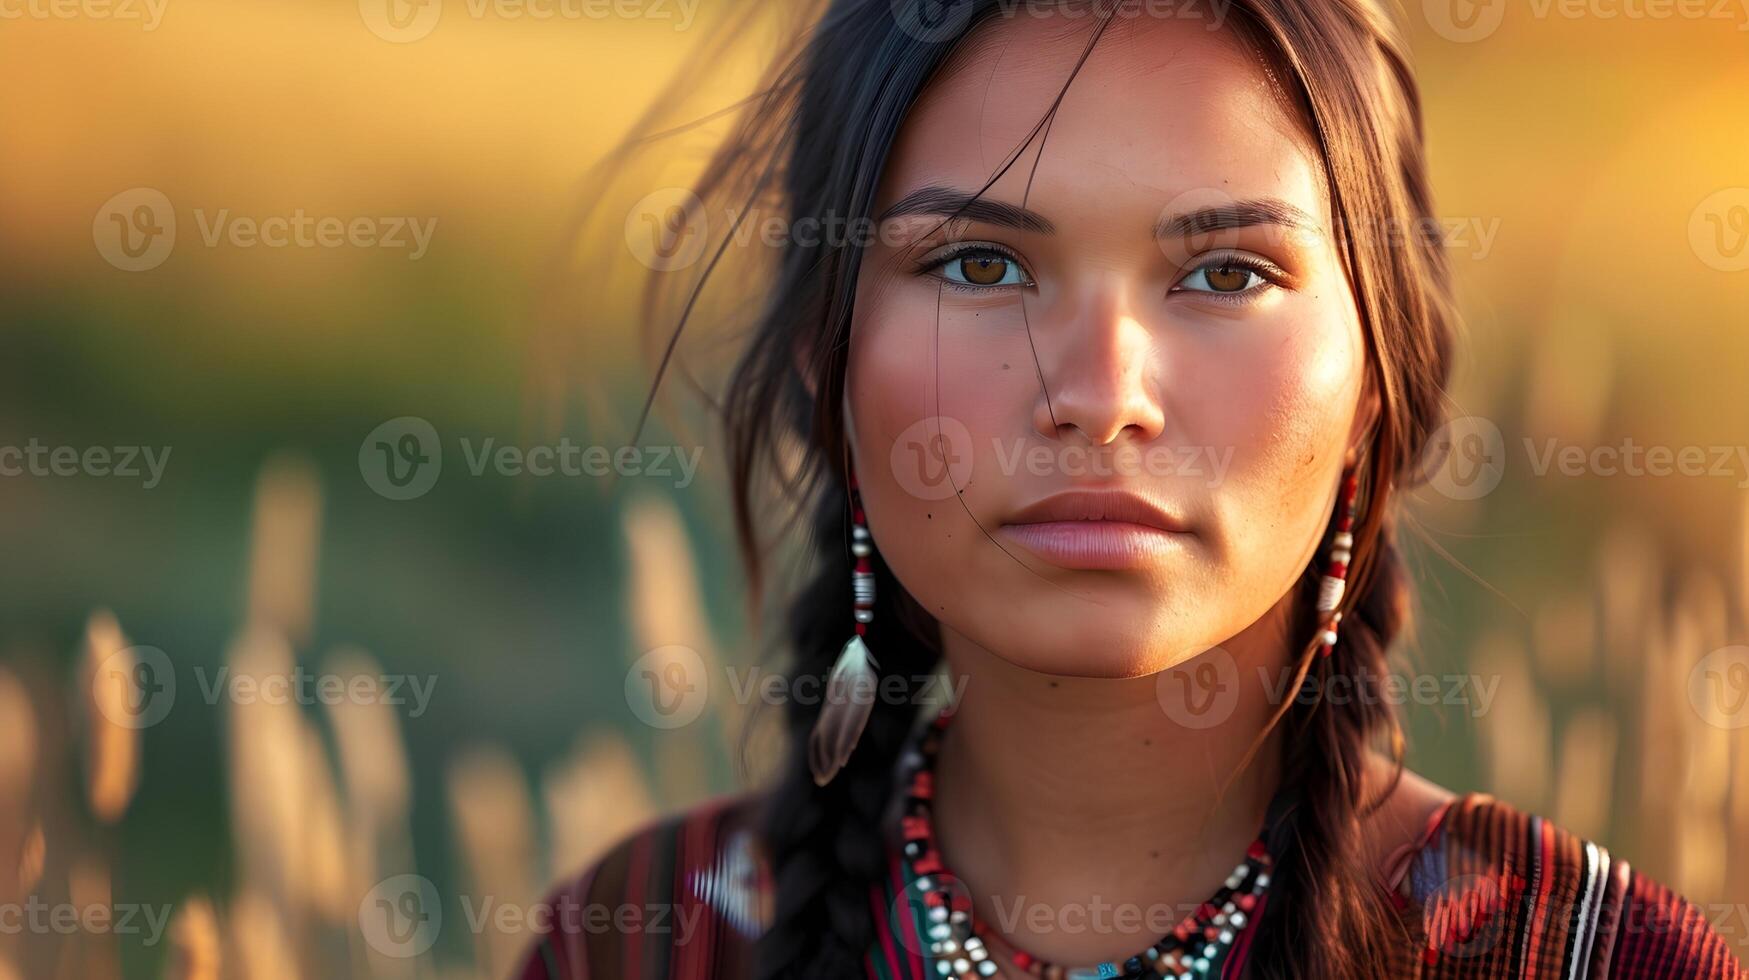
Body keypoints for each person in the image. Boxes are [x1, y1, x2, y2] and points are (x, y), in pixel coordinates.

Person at [520, 0, 1745, 976]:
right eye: (981, 262)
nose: (1103, 394)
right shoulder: (647, 940)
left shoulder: (1583, 959)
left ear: (1376, 377)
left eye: (1224, 273)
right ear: (824, 365)